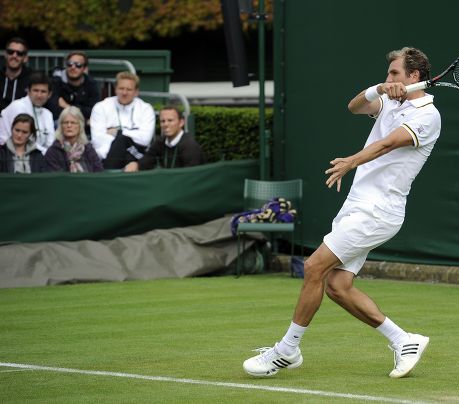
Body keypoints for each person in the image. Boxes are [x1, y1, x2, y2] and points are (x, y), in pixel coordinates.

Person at [243, 47, 441, 379]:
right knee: (337, 285)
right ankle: (404, 340)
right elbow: (354, 106)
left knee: (313, 266)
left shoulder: (428, 115)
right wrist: (381, 89)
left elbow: (387, 144)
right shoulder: (392, 100)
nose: (389, 77)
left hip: (378, 211)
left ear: (414, 76)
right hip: (357, 207)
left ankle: (286, 351)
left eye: (394, 73)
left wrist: (351, 161)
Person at [90, 71, 155, 169]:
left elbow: (145, 139)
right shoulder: (101, 107)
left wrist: (119, 132)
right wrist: (119, 148)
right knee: (121, 142)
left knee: (122, 139)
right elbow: (97, 139)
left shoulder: (146, 109)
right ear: (115, 89)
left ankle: (108, 175)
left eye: (129, 89)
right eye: (121, 88)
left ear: (136, 92)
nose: (124, 93)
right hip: (106, 156)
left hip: (136, 154)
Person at [124, 106, 205, 172]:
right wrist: (136, 164)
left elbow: (192, 176)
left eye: (170, 120)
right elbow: (147, 161)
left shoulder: (190, 146)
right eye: (163, 121)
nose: (166, 124)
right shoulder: (160, 142)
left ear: (181, 123)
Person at [0, 71, 55, 154]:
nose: (39, 95)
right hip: (8, 154)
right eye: (35, 91)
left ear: (49, 94)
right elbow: (24, 141)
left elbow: (51, 142)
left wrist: (50, 154)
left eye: (43, 91)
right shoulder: (17, 106)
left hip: (38, 157)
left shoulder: (48, 114)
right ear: (28, 91)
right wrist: (47, 154)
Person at [45, 51, 100, 131]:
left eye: (78, 65)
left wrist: (67, 106)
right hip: (59, 124)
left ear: (84, 69)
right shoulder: (55, 82)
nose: (73, 67)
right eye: (70, 64)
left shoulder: (91, 84)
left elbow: (93, 110)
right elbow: (53, 109)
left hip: (83, 126)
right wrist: (81, 114)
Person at [45, 106, 103, 173]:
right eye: (66, 122)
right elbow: (57, 178)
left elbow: (99, 172)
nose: (69, 126)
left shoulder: (88, 149)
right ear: (61, 126)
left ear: (80, 126)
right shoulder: (53, 151)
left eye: (73, 122)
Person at [0, 37, 32, 111]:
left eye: (19, 53)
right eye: (10, 52)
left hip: (23, 120)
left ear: (25, 58)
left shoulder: (32, 80)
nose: (14, 56)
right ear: (5, 54)